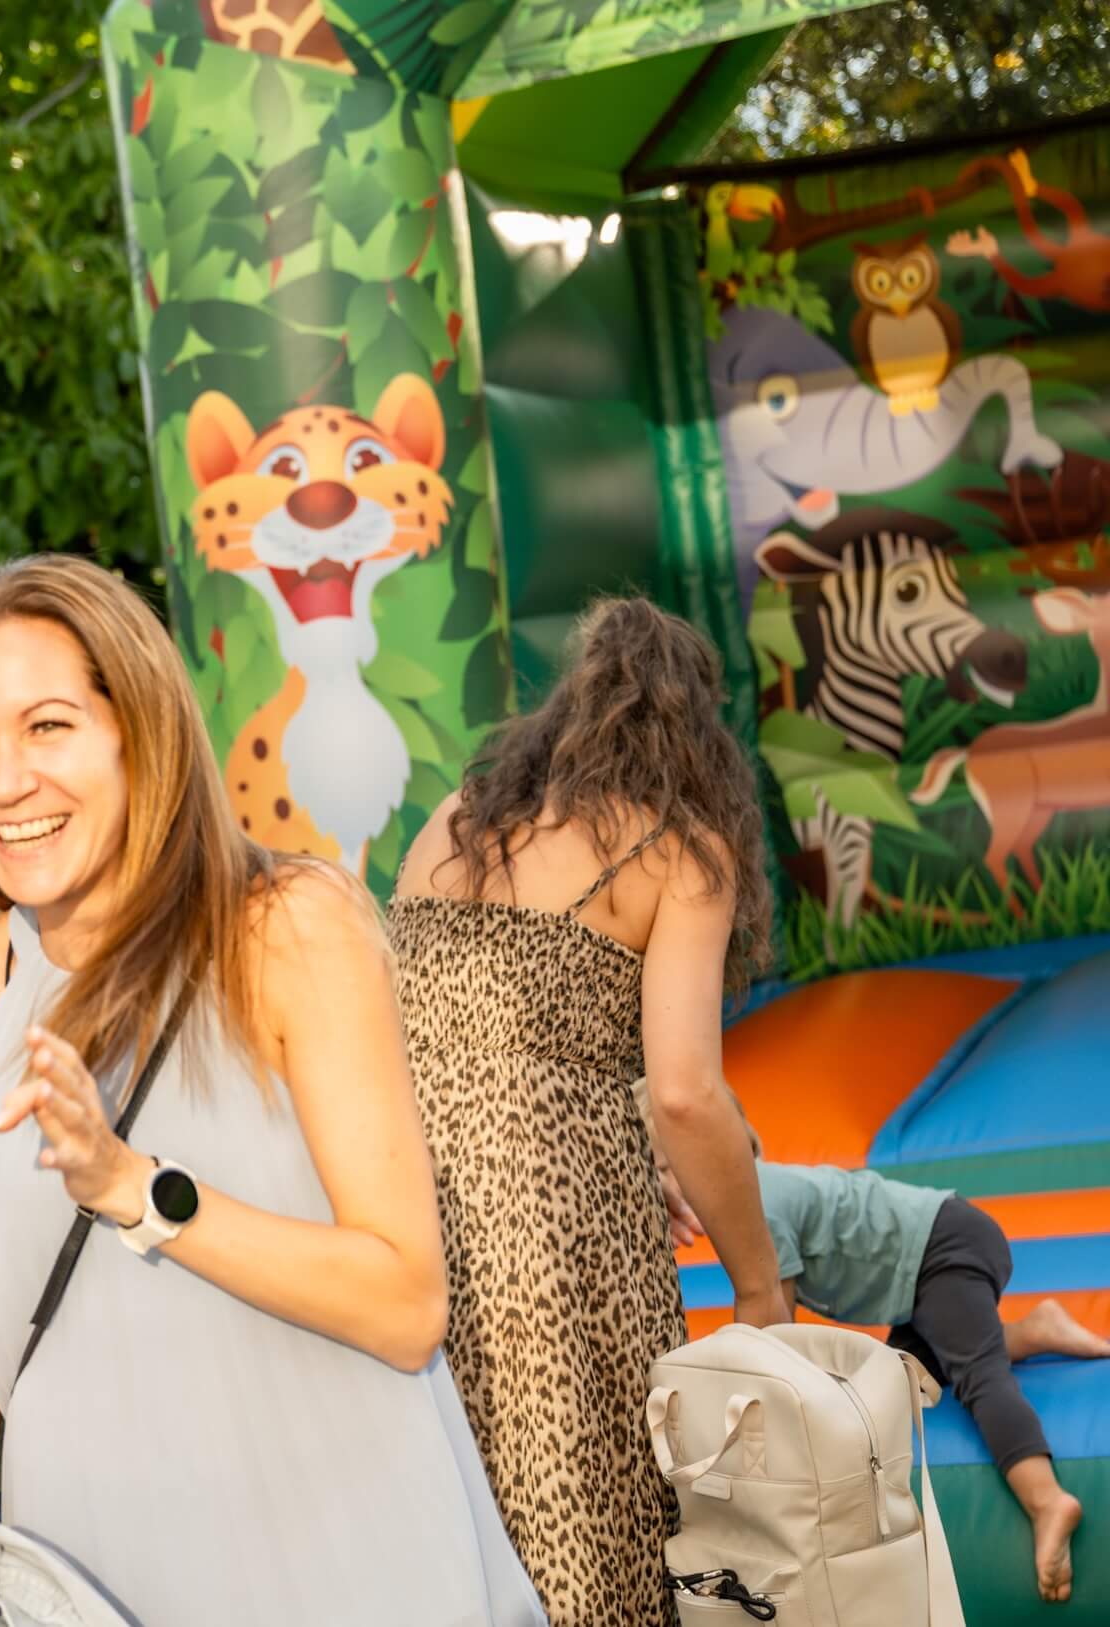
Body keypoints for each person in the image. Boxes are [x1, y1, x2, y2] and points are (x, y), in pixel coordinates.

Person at [0, 554, 541, 1626]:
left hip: (346, 1558)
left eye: (47, 727)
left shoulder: (286, 927)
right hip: (91, 1570)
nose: (1, 782)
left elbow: (405, 1301)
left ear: (136, 733)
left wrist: (136, 1188)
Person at [387, 595, 789, 1627]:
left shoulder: (458, 818)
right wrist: (757, 1288)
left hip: (403, 1205)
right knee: (583, 1530)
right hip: (555, 1233)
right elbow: (686, 1092)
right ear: (695, 738)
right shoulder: (676, 849)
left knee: (449, 1526)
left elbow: (428, 1027)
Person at [744, 1156, 1101, 1603]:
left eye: (665, 1172)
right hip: (918, 1278)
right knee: (902, 1378)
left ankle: (1047, 1501)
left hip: (942, 1250)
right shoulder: (761, 1186)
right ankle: (1033, 1332)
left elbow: (774, 1329)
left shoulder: (759, 1202)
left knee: (980, 1379)